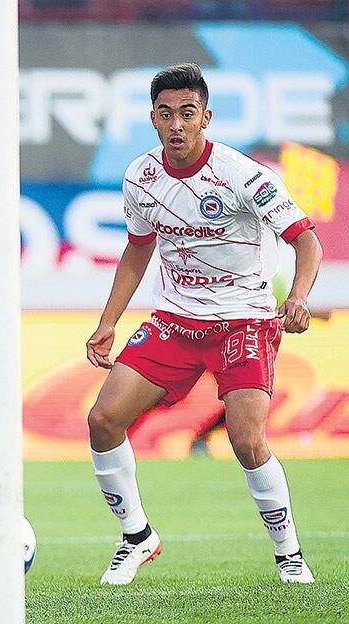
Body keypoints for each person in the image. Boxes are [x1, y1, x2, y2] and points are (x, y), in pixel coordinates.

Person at [85, 63, 323, 585]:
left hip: (243, 320)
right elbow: (137, 251)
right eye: (166, 114)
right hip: (175, 320)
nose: (176, 124)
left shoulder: (245, 177)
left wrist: (300, 296)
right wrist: (108, 323)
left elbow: (306, 239)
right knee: (103, 421)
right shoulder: (140, 178)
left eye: (187, 114)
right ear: (152, 119)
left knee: (246, 439)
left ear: (206, 118)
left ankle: (289, 555)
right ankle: (136, 538)